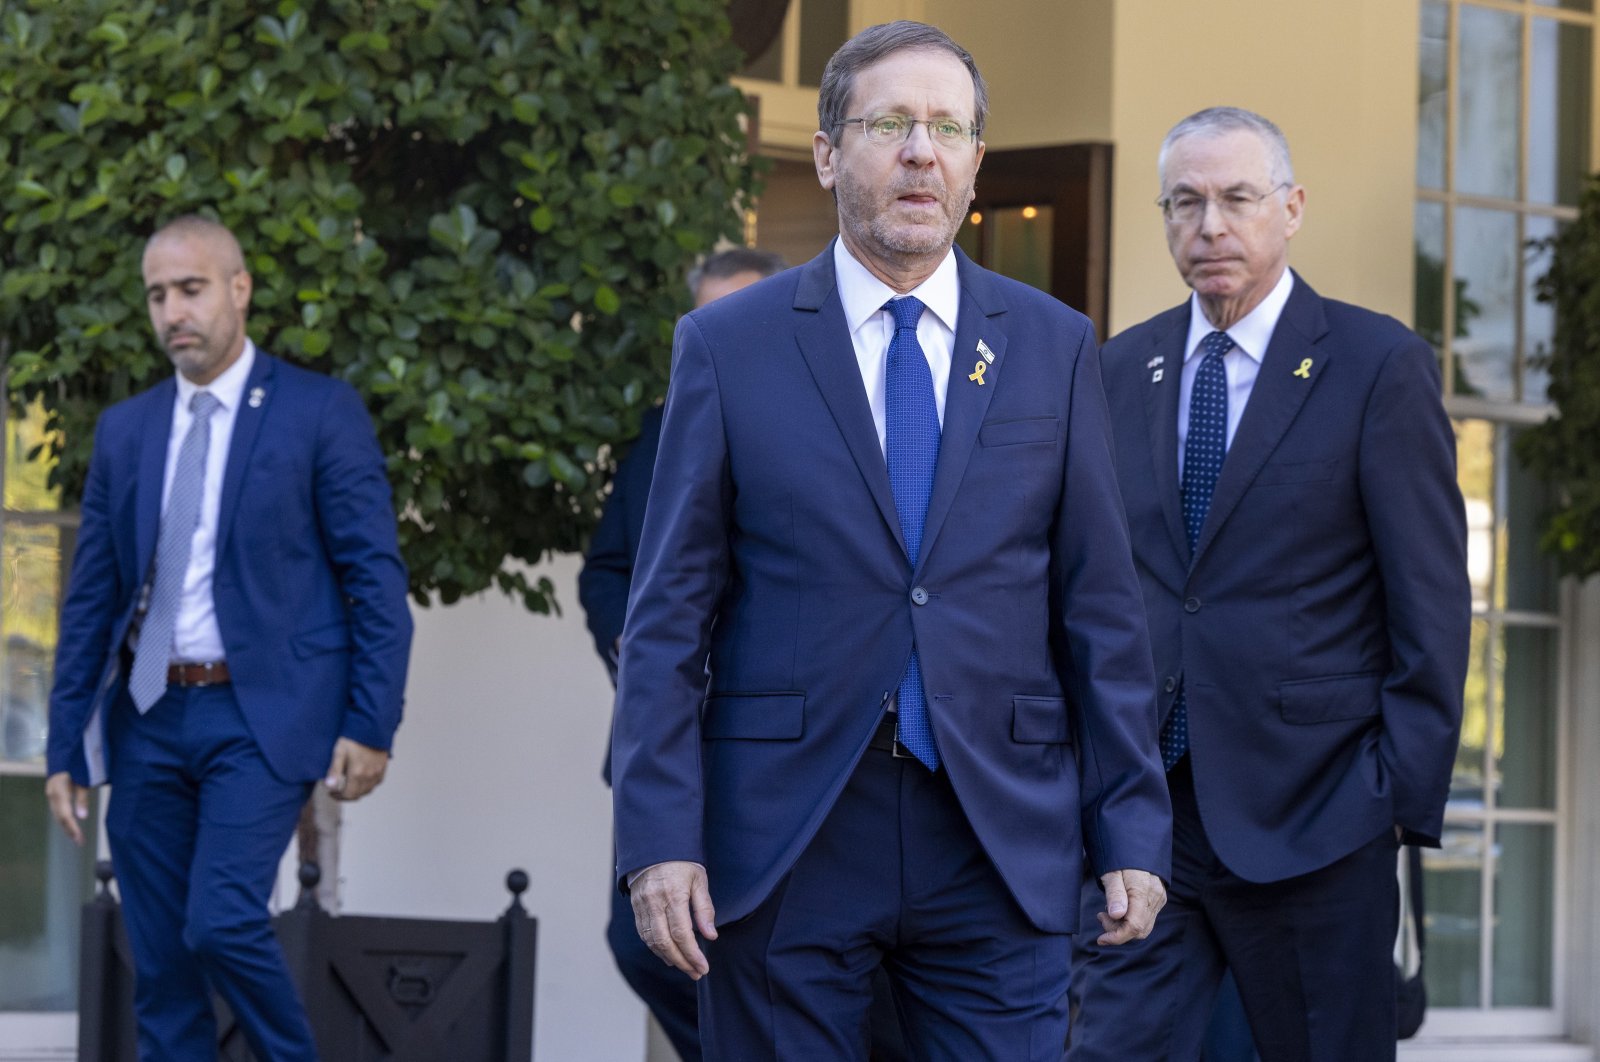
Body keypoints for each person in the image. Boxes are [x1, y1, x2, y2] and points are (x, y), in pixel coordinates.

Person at [610, 21, 1171, 1060]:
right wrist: (657, 842)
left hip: (998, 832)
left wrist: (1130, 825)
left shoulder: (1050, 346)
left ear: (973, 165)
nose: (922, 150)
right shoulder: (729, 346)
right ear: (828, 154)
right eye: (890, 124)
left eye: (946, 128)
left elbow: (1100, 607)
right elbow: (667, 617)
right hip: (786, 832)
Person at [1067, 107, 1469, 1062]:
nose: (1211, 226)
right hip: (1148, 818)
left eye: (1238, 199)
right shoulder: (1120, 368)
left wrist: (1389, 795)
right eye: (1186, 202)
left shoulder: (1376, 367)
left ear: (1290, 209)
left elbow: (1432, 603)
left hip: (1318, 817)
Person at [44, 216, 413, 1062]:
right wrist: (65, 743)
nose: (174, 310)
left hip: (259, 717)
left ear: (239, 290)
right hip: (146, 718)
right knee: (164, 961)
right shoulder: (128, 431)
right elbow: (92, 597)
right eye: (157, 294)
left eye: (192, 288)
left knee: (221, 919)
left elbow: (374, 582)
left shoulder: (318, 411)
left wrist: (370, 720)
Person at [578, 246, 787, 1062]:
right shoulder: (659, 434)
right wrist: (627, 638)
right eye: (703, 320)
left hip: (771, 738)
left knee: (767, 946)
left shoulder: (830, 429)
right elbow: (607, 570)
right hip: (664, 735)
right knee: (642, 943)